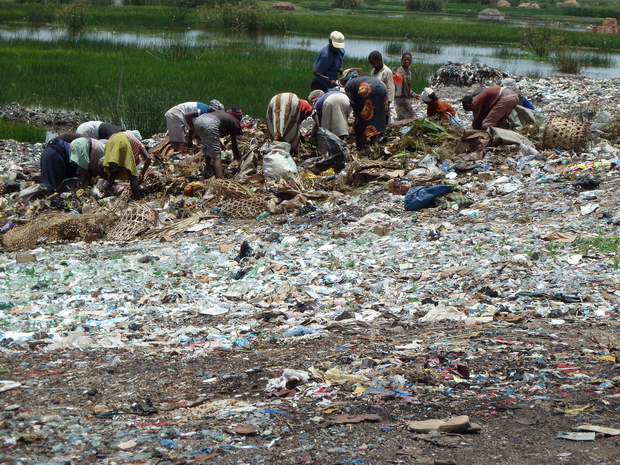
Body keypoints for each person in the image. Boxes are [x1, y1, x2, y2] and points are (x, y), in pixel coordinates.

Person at [188, 108, 243, 179]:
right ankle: (219, 181)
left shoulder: (223, 115)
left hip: (199, 120)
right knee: (217, 156)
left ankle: (207, 169)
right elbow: (234, 145)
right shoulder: (234, 123)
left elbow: (214, 135)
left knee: (207, 147)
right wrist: (238, 158)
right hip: (211, 123)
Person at [343, 72, 389, 149]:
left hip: (366, 88)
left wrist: (355, 119)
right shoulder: (361, 79)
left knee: (363, 115)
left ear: (345, 81)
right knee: (380, 112)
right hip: (382, 85)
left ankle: (360, 143)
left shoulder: (348, 85)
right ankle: (375, 139)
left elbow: (354, 103)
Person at [102, 131, 151, 200]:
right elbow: (148, 158)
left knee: (113, 173)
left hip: (109, 142)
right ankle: (137, 199)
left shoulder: (125, 136)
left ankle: (107, 192)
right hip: (123, 142)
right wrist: (141, 175)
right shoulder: (138, 143)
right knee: (132, 175)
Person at [368, 51, 395, 124]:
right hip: (375, 99)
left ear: (379, 60)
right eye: (371, 63)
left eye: (373, 63)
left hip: (384, 100)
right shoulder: (373, 71)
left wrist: (388, 102)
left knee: (384, 118)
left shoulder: (387, 71)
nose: (372, 65)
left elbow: (391, 87)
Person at [394, 52, 415, 121]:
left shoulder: (409, 72)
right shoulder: (400, 70)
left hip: (404, 97)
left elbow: (407, 87)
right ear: (401, 60)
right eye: (405, 59)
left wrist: (413, 94)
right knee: (412, 118)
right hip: (401, 98)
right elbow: (397, 81)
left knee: (401, 119)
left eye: (409, 60)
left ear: (411, 61)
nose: (407, 61)